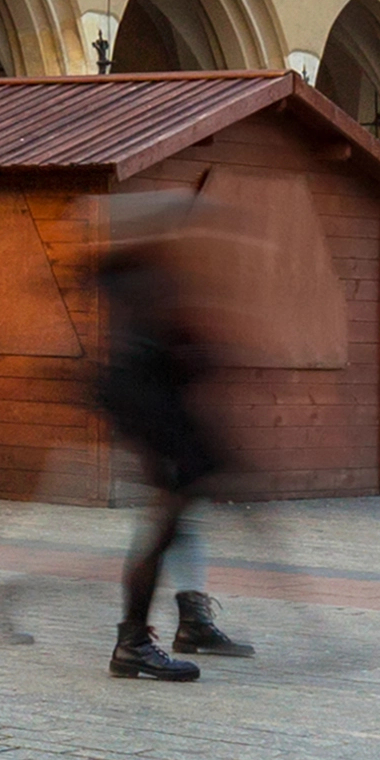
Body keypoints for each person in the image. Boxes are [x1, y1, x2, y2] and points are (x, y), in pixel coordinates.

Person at [87, 192, 246, 682]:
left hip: (154, 403)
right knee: (167, 518)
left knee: (177, 513)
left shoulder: (138, 272)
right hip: (149, 405)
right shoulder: (138, 275)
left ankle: (183, 621)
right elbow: (161, 346)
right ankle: (133, 641)